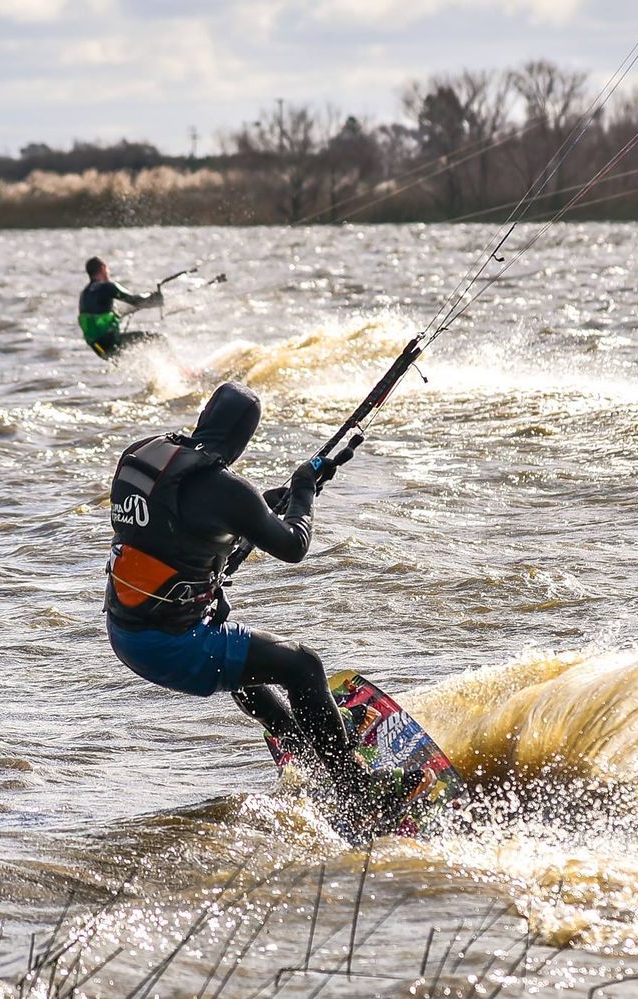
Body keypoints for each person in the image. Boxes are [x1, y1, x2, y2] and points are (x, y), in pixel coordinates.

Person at [103, 381, 416, 806]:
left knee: (247, 659)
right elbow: (292, 546)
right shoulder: (226, 490)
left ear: (204, 419)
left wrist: (261, 509)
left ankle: (300, 744)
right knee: (303, 666)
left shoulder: (142, 456)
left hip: (124, 628)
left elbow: (178, 526)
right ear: (244, 438)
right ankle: (354, 785)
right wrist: (304, 489)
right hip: (167, 647)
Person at [78, 256, 163, 359]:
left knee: (137, 356)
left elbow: (99, 316)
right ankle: (183, 371)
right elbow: (135, 300)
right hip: (112, 344)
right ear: (103, 268)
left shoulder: (84, 295)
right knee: (160, 340)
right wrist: (154, 297)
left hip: (99, 349)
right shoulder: (107, 287)